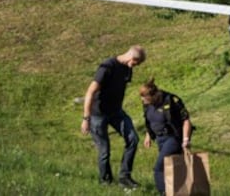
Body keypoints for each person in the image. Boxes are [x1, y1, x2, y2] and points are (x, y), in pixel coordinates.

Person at [81, 45, 146, 188]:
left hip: (116, 112)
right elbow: (90, 92)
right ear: (132, 58)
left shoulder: (128, 68)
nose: (136, 66)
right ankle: (106, 182)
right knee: (104, 150)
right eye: (137, 63)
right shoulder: (107, 67)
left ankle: (125, 177)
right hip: (98, 114)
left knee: (133, 139)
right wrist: (86, 119)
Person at [140, 78, 193, 196]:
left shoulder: (171, 100)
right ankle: (180, 192)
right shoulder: (147, 104)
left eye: (145, 97)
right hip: (159, 139)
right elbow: (150, 121)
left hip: (173, 138)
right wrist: (148, 135)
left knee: (159, 168)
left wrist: (185, 140)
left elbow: (186, 120)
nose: (142, 100)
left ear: (153, 95)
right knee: (174, 169)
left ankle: (163, 192)